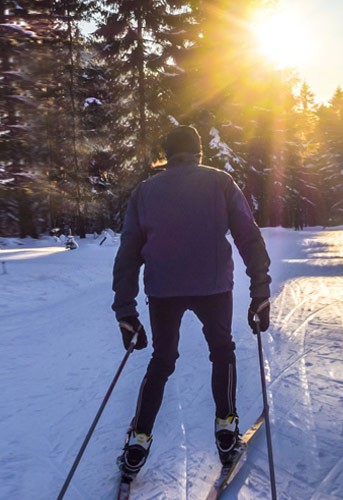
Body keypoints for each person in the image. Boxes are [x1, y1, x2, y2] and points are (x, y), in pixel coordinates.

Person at [112, 125, 272, 480]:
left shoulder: (145, 192)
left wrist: (126, 310)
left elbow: (128, 253)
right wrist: (260, 290)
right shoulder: (220, 182)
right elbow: (248, 235)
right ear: (199, 152)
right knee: (222, 350)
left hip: (163, 290)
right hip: (213, 286)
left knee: (162, 360)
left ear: (167, 156)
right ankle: (227, 431)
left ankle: (138, 440)